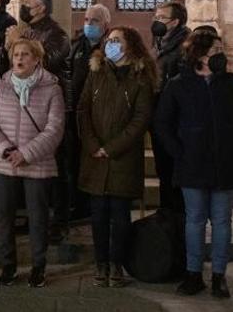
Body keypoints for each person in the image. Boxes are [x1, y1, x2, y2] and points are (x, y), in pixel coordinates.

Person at [154, 32, 233, 299]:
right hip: (192, 165)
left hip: (226, 164)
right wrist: (179, 151)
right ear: (199, 55)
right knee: (195, 220)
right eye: (215, 49)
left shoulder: (231, 83)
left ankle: (219, 276)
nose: (220, 55)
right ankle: (193, 273)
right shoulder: (179, 85)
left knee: (222, 220)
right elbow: (163, 123)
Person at [77, 26, 157, 288]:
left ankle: (117, 263)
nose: (110, 44)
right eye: (108, 40)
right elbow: (83, 109)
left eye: (116, 40)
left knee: (120, 216)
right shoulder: (96, 72)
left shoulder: (140, 77)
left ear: (129, 45)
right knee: (98, 216)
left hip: (122, 158)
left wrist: (112, 148)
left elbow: (140, 118)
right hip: (95, 156)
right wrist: (92, 144)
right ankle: (101, 262)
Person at [0, 38, 65, 288]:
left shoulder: (52, 88)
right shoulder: (1, 86)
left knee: (38, 216)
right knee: (4, 215)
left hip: (36, 162)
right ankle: (8, 265)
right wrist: (5, 149)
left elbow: (55, 128)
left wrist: (26, 153)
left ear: (37, 59)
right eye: (16, 54)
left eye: (25, 54)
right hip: (5, 160)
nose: (19, 58)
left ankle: (38, 266)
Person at [12, 0, 71, 242]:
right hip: (26, 106)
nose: (24, 6)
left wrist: (19, 45)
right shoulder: (26, 32)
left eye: (28, 3)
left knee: (55, 167)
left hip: (49, 107)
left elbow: (50, 63)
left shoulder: (57, 34)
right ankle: (35, 216)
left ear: (42, 9)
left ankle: (58, 221)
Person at [64, 4, 111, 222]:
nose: (89, 25)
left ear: (106, 25)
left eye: (94, 21)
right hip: (76, 112)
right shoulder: (76, 46)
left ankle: (95, 205)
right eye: (86, 20)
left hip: (99, 115)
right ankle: (77, 203)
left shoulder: (111, 47)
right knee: (74, 160)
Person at [150, 0, 191, 214]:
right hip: (159, 115)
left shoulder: (185, 45)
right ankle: (166, 212)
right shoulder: (159, 41)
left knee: (173, 170)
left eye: (162, 18)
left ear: (175, 22)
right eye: (156, 16)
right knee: (163, 169)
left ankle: (176, 215)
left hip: (174, 118)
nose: (156, 21)